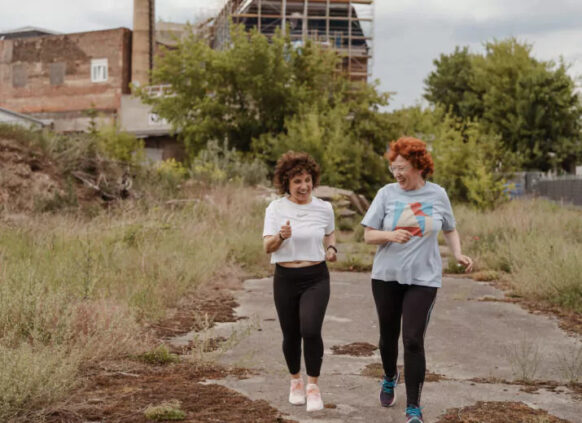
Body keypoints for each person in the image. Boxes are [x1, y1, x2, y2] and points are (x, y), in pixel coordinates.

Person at [361, 137, 473, 423]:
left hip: (424, 278)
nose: (397, 174)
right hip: (386, 276)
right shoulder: (386, 194)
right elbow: (368, 234)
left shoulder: (437, 195)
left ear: (419, 166)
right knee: (388, 337)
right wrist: (390, 235)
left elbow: (449, 228)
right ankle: (389, 376)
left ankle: (413, 407)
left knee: (412, 340)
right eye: (393, 168)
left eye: (402, 167)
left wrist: (457, 253)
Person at [263, 151, 337, 412]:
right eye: (297, 182)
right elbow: (267, 247)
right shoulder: (275, 208)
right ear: (287, 184)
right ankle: (295, 380)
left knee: (311, 329)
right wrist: (281, 237)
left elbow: (330, 234)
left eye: (307, 180)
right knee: (291, 333)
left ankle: (313, 386)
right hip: (285, 278)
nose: (303, 186)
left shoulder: (324, 208)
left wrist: (332, 249)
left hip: (316, 276)